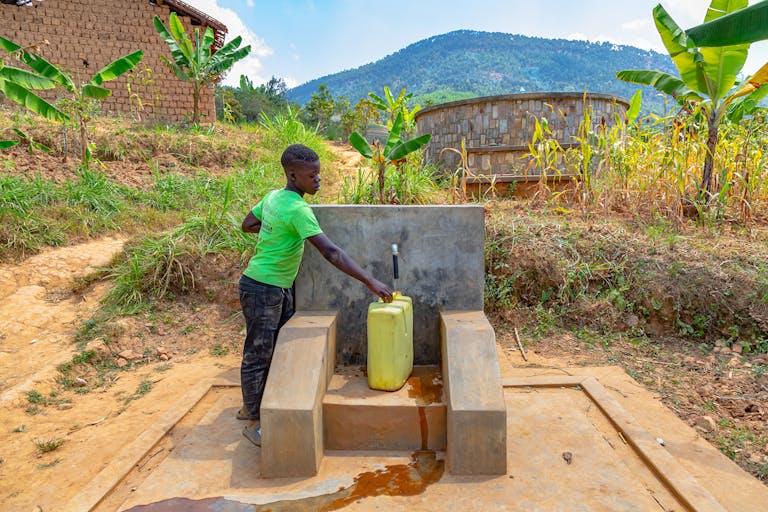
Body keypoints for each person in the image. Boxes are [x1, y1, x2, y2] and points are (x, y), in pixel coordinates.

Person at [238, 143, 393, 447]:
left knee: (271, 349)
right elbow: (331, 252)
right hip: (264, 288)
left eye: (319, 174)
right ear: (293, 176)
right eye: (312, 176)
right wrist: (369, 280)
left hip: (270, 286)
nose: (318, 180)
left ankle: (253, 407)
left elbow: (248, 224)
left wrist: (278, 231)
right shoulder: (298, 210)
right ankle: (253, 419)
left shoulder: (274, 197)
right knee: (258, 354)